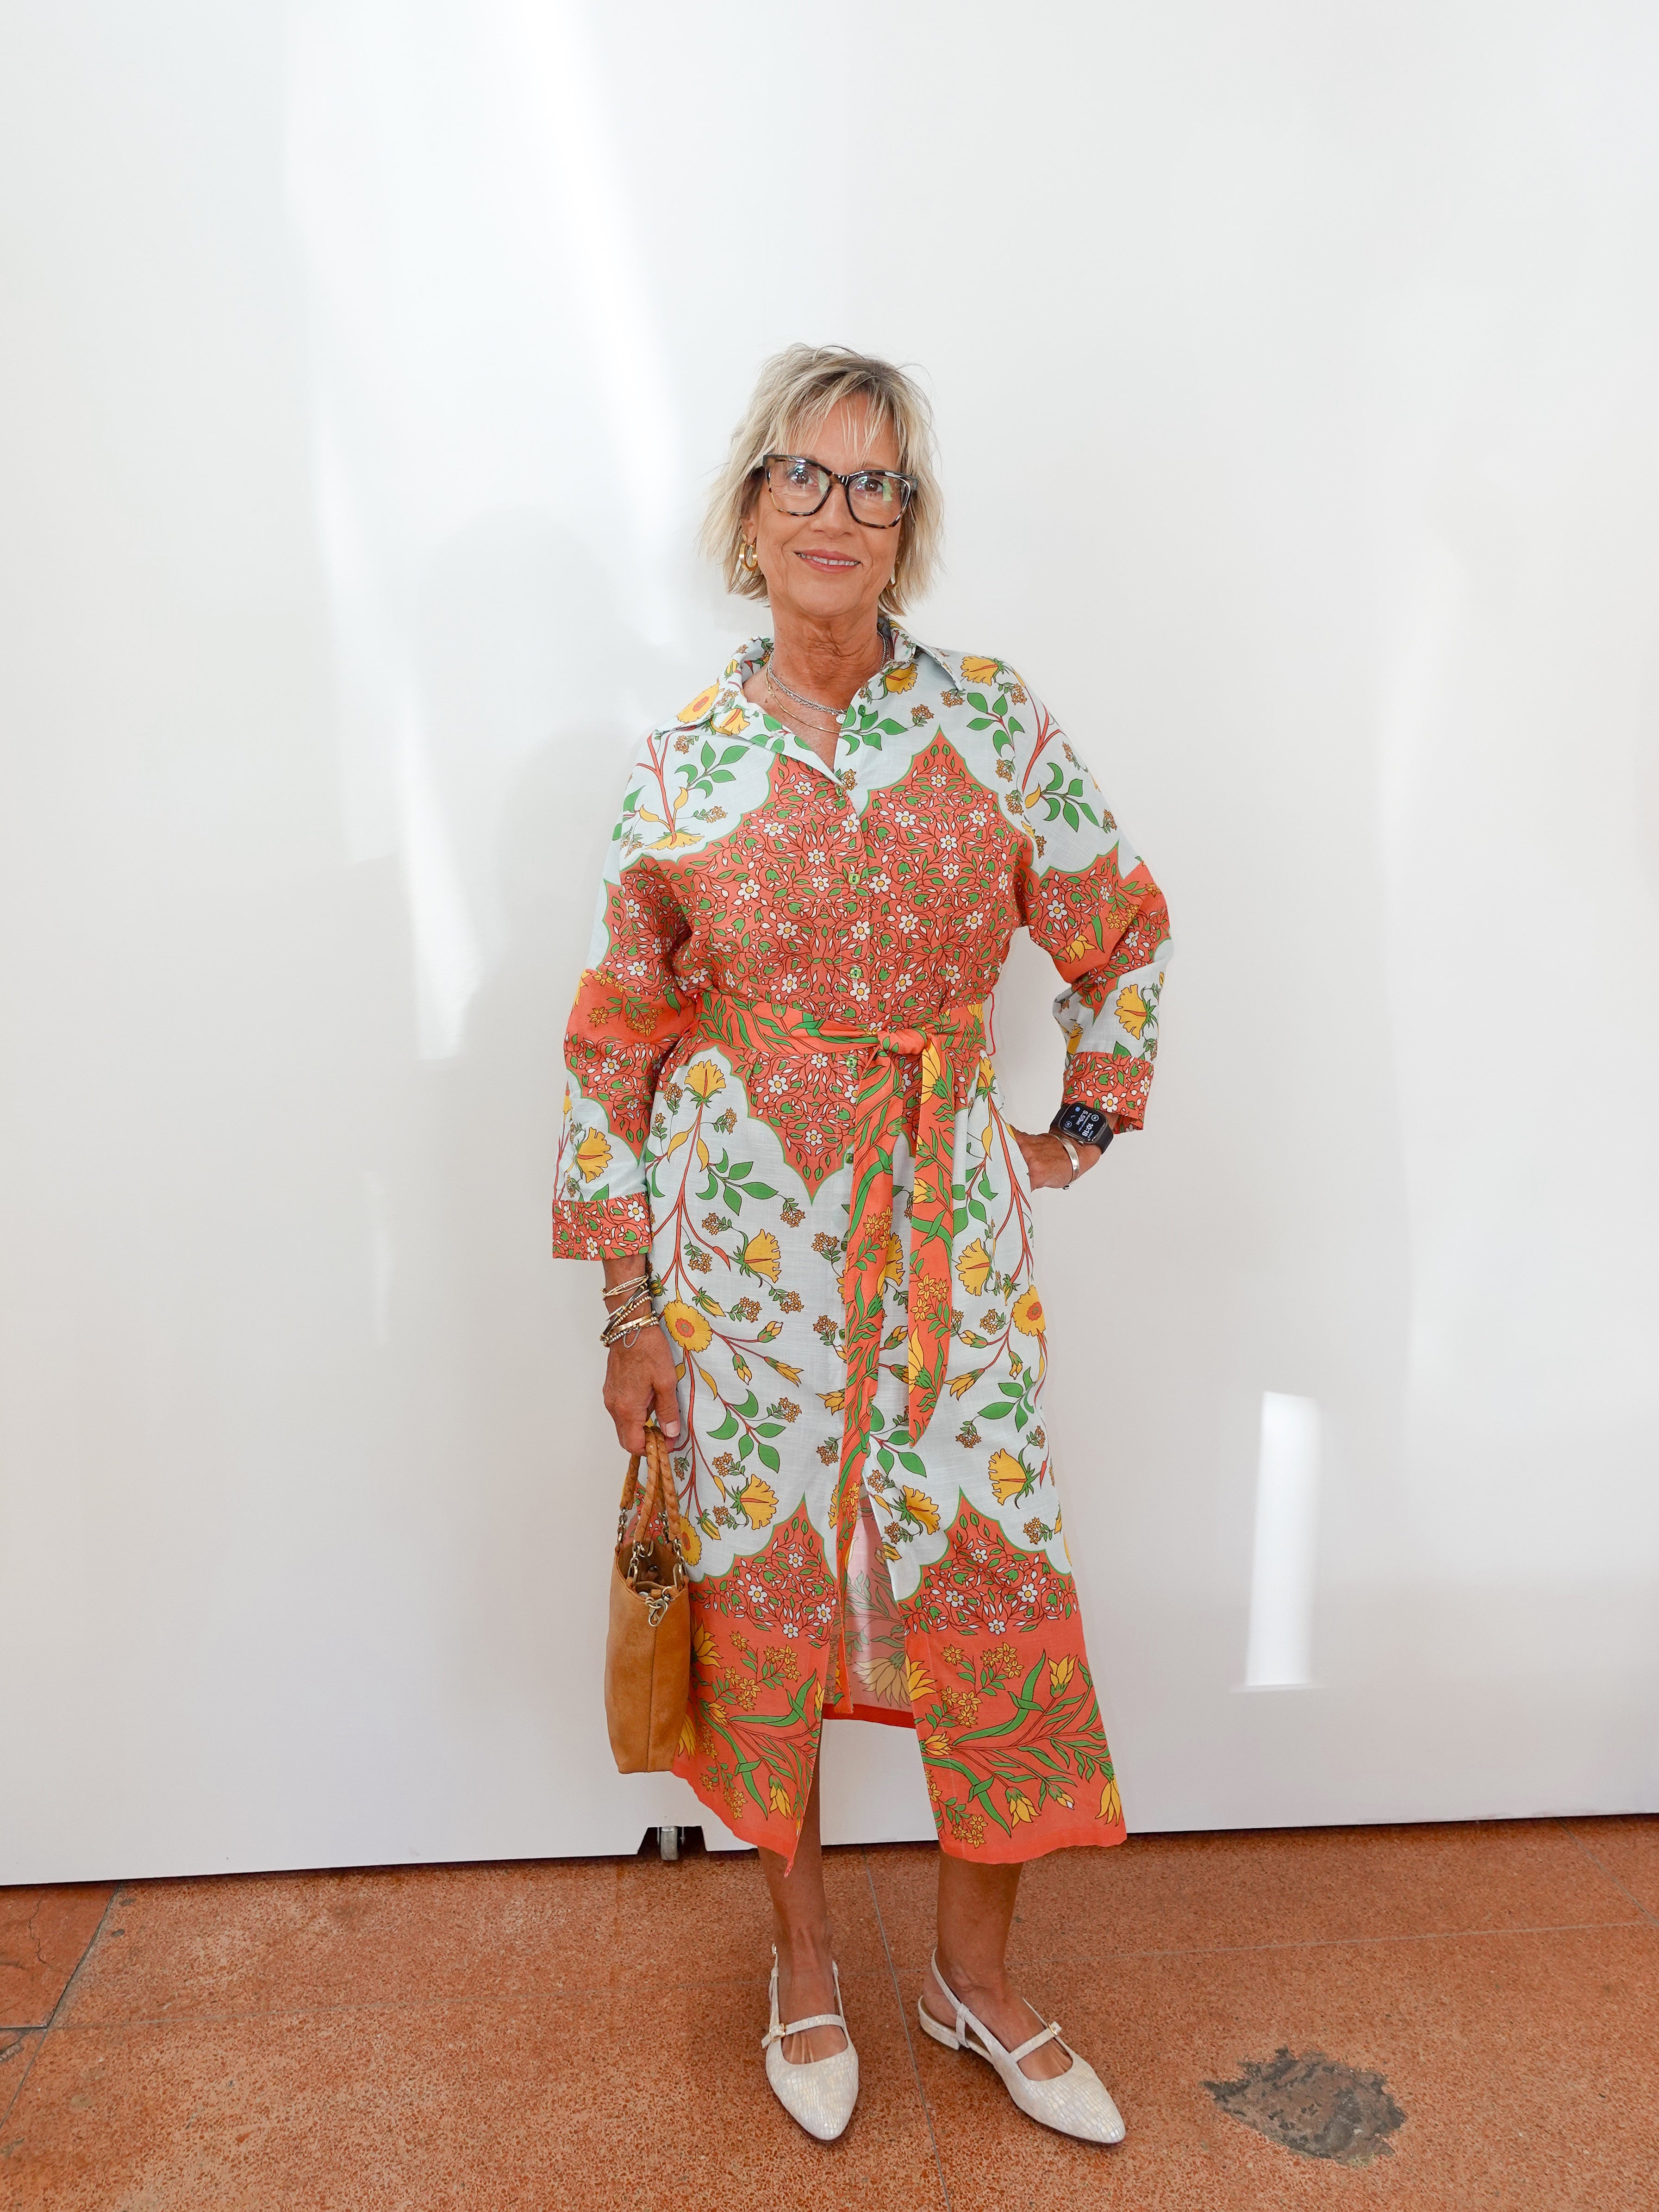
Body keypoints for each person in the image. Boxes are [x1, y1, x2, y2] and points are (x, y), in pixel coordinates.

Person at [552, 344, 1171, 2145]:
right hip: (736, 1245)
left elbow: (1115, 927)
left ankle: (970, 1981)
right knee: (765, 1596)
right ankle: (803, 1956)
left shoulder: (991, 721)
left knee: (984, 1566)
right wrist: (627, 1305)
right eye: (803, 480)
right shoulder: (680, 770)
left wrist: (1080, 1114)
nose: (836, 513)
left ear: (908, 526)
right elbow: (611, 1045)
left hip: (945, 1240)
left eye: (873, 483)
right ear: (747, 514)